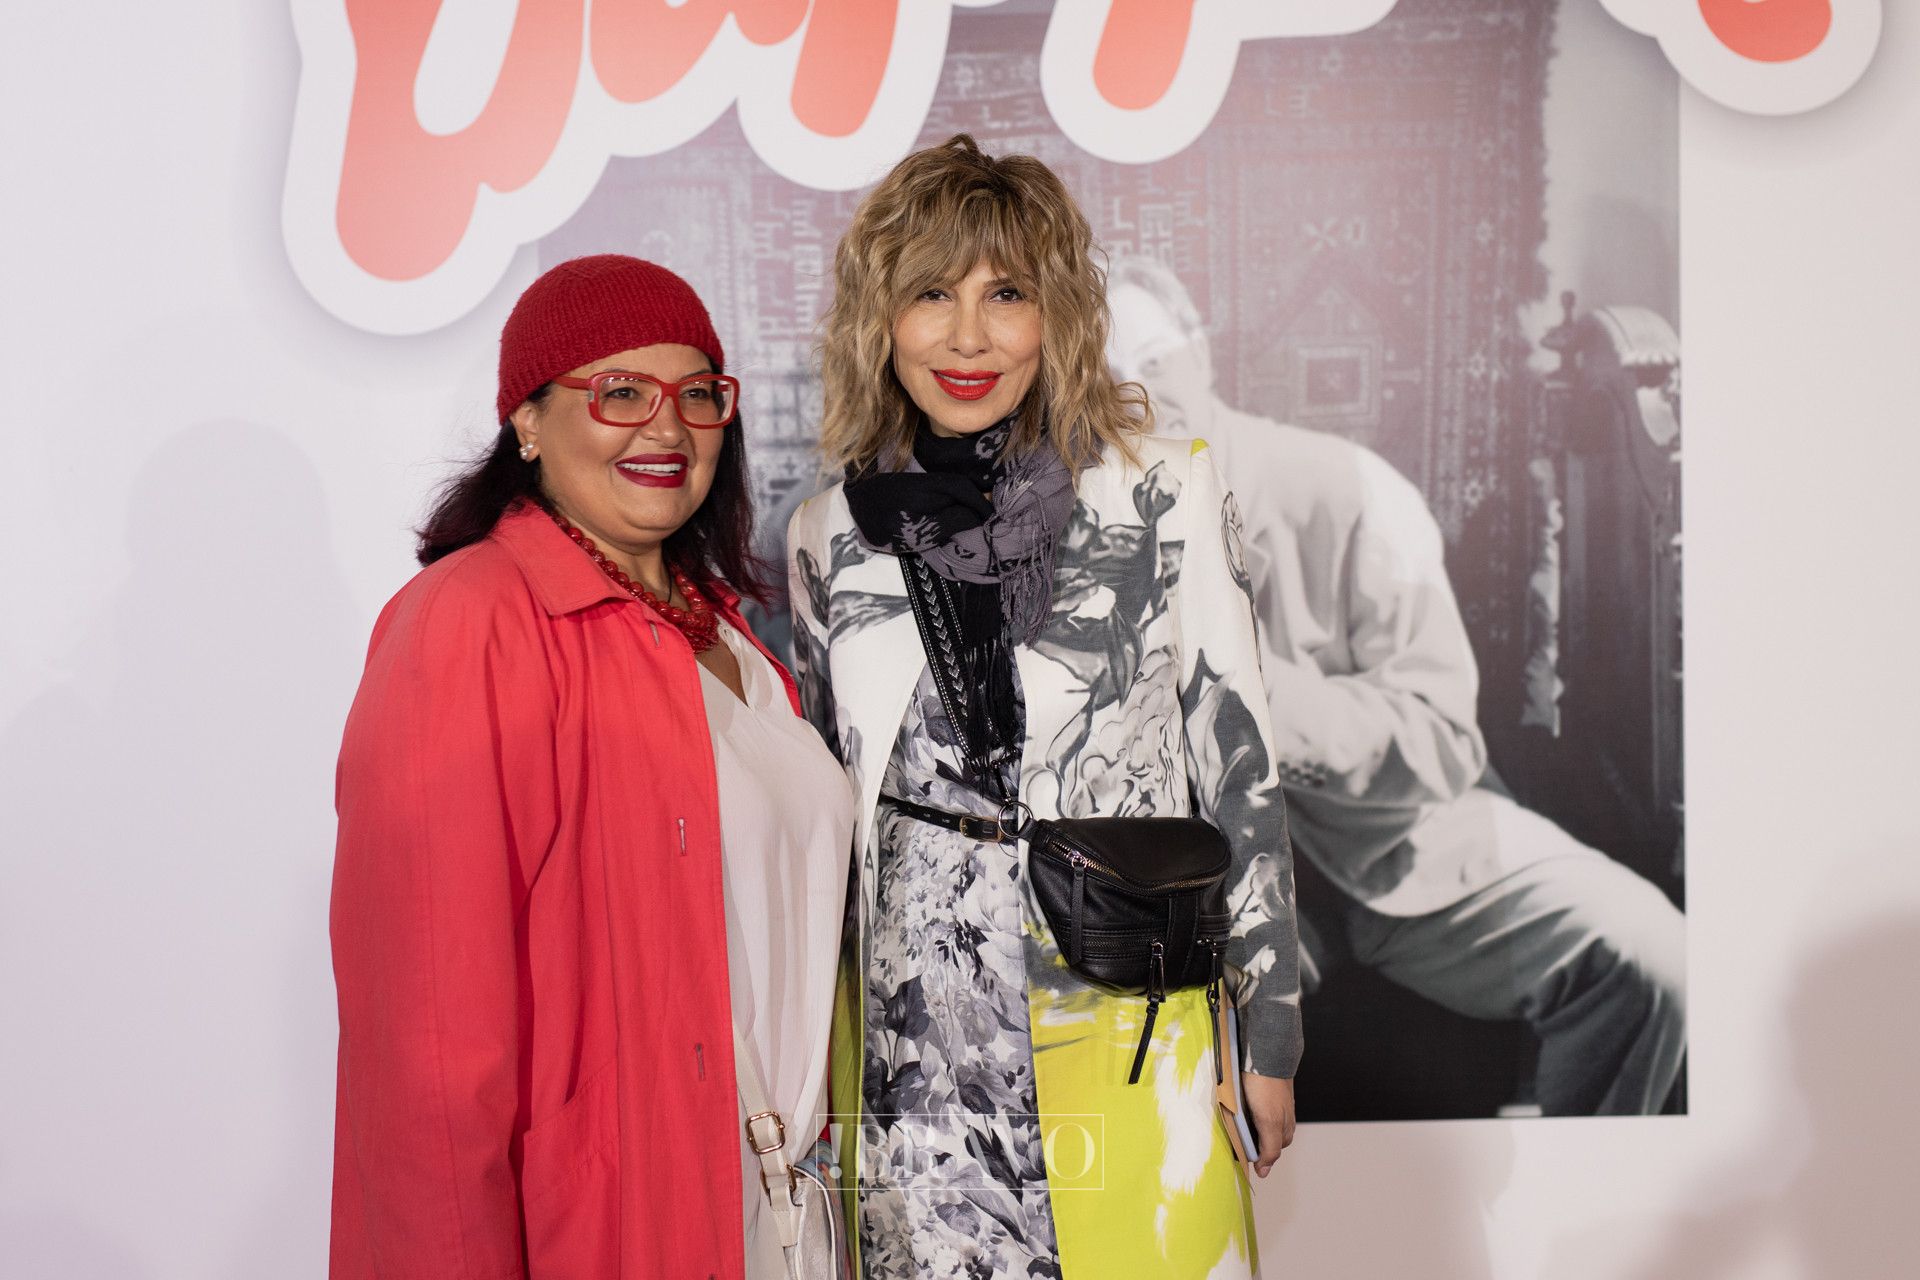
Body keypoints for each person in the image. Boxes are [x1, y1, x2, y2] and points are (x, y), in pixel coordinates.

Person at [787, 135, 1301, 1280]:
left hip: (1120, 1012)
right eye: (932, 293)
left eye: (1006, 293)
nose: (968, 336)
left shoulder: (1162, 486)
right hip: (919, 1049)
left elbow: (1243, 769)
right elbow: (833, 823)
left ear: (1055, 311)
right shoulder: (829, 533)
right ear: (882, 319)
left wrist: (1271, 1023)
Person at [329, 254, 854, 1279]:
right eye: (619, 392)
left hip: (789, 1222)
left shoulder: (733, 635)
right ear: (527, 421)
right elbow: (426, 1047)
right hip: (623, 1228)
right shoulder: (469, 621)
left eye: (697, 394)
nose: (667, 428)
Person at [1104, 252, 1686, 1116]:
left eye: (1152, 360)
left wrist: (1254, 695)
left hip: (1404, 848)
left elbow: (1442, 742)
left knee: (1655, 962)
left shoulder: (1352, 492)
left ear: (1203, 353)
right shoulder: (1062, 532)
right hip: (1209, 892)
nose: (1130, 394)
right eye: (1096, 375)